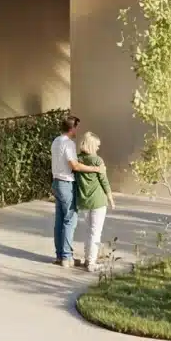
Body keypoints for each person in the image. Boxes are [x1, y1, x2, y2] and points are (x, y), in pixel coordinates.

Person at [50, 115, 103, 266]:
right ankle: (67, 257)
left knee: (59, 220)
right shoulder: (68, 144)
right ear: (72, 128)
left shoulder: (56, 141)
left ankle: (60, 255)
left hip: (56, 182)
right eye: (76, 128)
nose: (77, 131)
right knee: (70, 220)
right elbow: (74, 165)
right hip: (66, 183)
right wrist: (95, 169)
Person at [73, 131, 115, 272]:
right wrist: (110, 198)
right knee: (95, 232)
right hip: (98, 201)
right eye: (96, 145)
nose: (98, 148)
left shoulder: (77, 160)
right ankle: (91, 263)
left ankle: (87, 259)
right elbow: (104, 181)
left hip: (84, 200)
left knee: (88, 231)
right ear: (91, 145)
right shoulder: (97, 161)